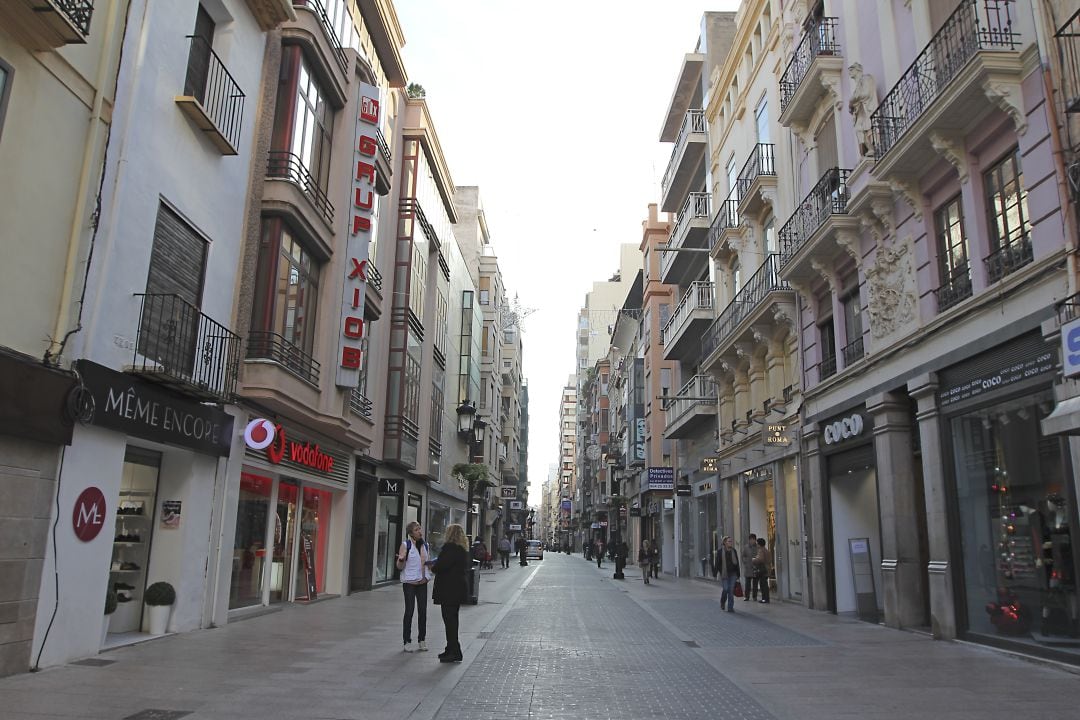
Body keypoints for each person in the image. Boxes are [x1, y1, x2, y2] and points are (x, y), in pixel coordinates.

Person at [431, 523, 469, 662]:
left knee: (450, 621)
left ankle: (455, 651)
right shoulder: (462, 549)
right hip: (457, 589)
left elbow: (442, 566)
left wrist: (433, 567)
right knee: (453, 620)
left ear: (450, 534)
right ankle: (451, 648)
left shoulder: (450, 548)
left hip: (449, 590)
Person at [395, 521, 430, 652]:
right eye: (416, 529)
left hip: (422, 582)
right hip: (409, 583)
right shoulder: (406, 545)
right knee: (409, 611)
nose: (420, 531)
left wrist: (430, 569)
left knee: (423, 611)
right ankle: (407, 641)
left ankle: (422, 640)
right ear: (411, 533)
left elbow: (426, 563)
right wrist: (401, 559)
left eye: (420, 528)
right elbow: (399, 566)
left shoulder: (425, 545)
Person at [717, 536, 741, 612]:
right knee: (726, 589)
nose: (730, 542)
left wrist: (738, 574)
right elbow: (717, 563)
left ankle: (730, 607)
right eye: (729, 541)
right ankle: (722, 602)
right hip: (724, 574)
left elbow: (737, 563)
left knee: (730, 590)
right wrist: (717, 572)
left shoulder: (734, 551)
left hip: (733, 573)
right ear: (724, 542)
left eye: (731, 541)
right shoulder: (720, 552)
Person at [753, 536, 771, 603]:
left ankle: (765, 599)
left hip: (763, 570)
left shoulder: (761, 550)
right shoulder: (766, 550)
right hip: (767, 569)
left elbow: (761, 559)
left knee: (763, 585)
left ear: (759, 544)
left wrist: (754, 559)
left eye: (757, 543)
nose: (756, 545)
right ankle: (766, 598)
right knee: (764, 584)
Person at [742, 533, 758, 602]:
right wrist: (745, 562)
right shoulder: (746, 547)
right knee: (747, 584)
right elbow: (743, 556)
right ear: (749, 540)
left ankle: (754, 596)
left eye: (753, 539)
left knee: (755, 584)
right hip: (748, 567)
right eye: (751, 539)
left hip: (755, 567)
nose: (752, 541)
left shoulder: (758, 547)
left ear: (755, 540)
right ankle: (746, 596)